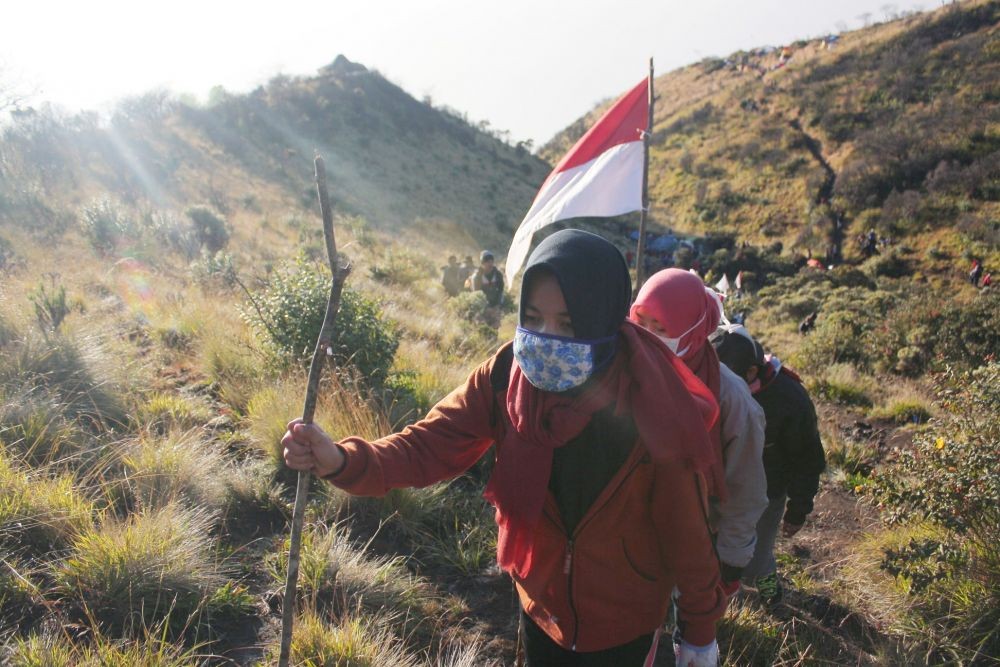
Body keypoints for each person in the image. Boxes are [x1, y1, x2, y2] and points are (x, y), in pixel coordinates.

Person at [283, 230, 727, 666]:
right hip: (539, 607)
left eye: (568, 323)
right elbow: (429, 444)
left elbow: (686, 531)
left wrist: (699, 633)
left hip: (624, 628)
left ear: (604, 319)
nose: (546, 337)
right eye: (532, 318)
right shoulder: (505, 377)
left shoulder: (650, 402)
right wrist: (342, 459)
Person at [630, 269, 768, 608]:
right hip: (628, 534)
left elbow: (744, 490)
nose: (645, 336)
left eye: (660, 329)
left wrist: (730, 565)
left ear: (691, 332)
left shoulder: (729, 399)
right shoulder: (624, 370)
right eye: (640, 322)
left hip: (695, 540)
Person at [711, 326, 826, 609]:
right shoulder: (716, 384)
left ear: (752, 371)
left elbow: (808, 458)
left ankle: (770, 594)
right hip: (719, 487)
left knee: (758, 556)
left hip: (768, 494)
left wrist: (798, 510)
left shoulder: (789, 399)